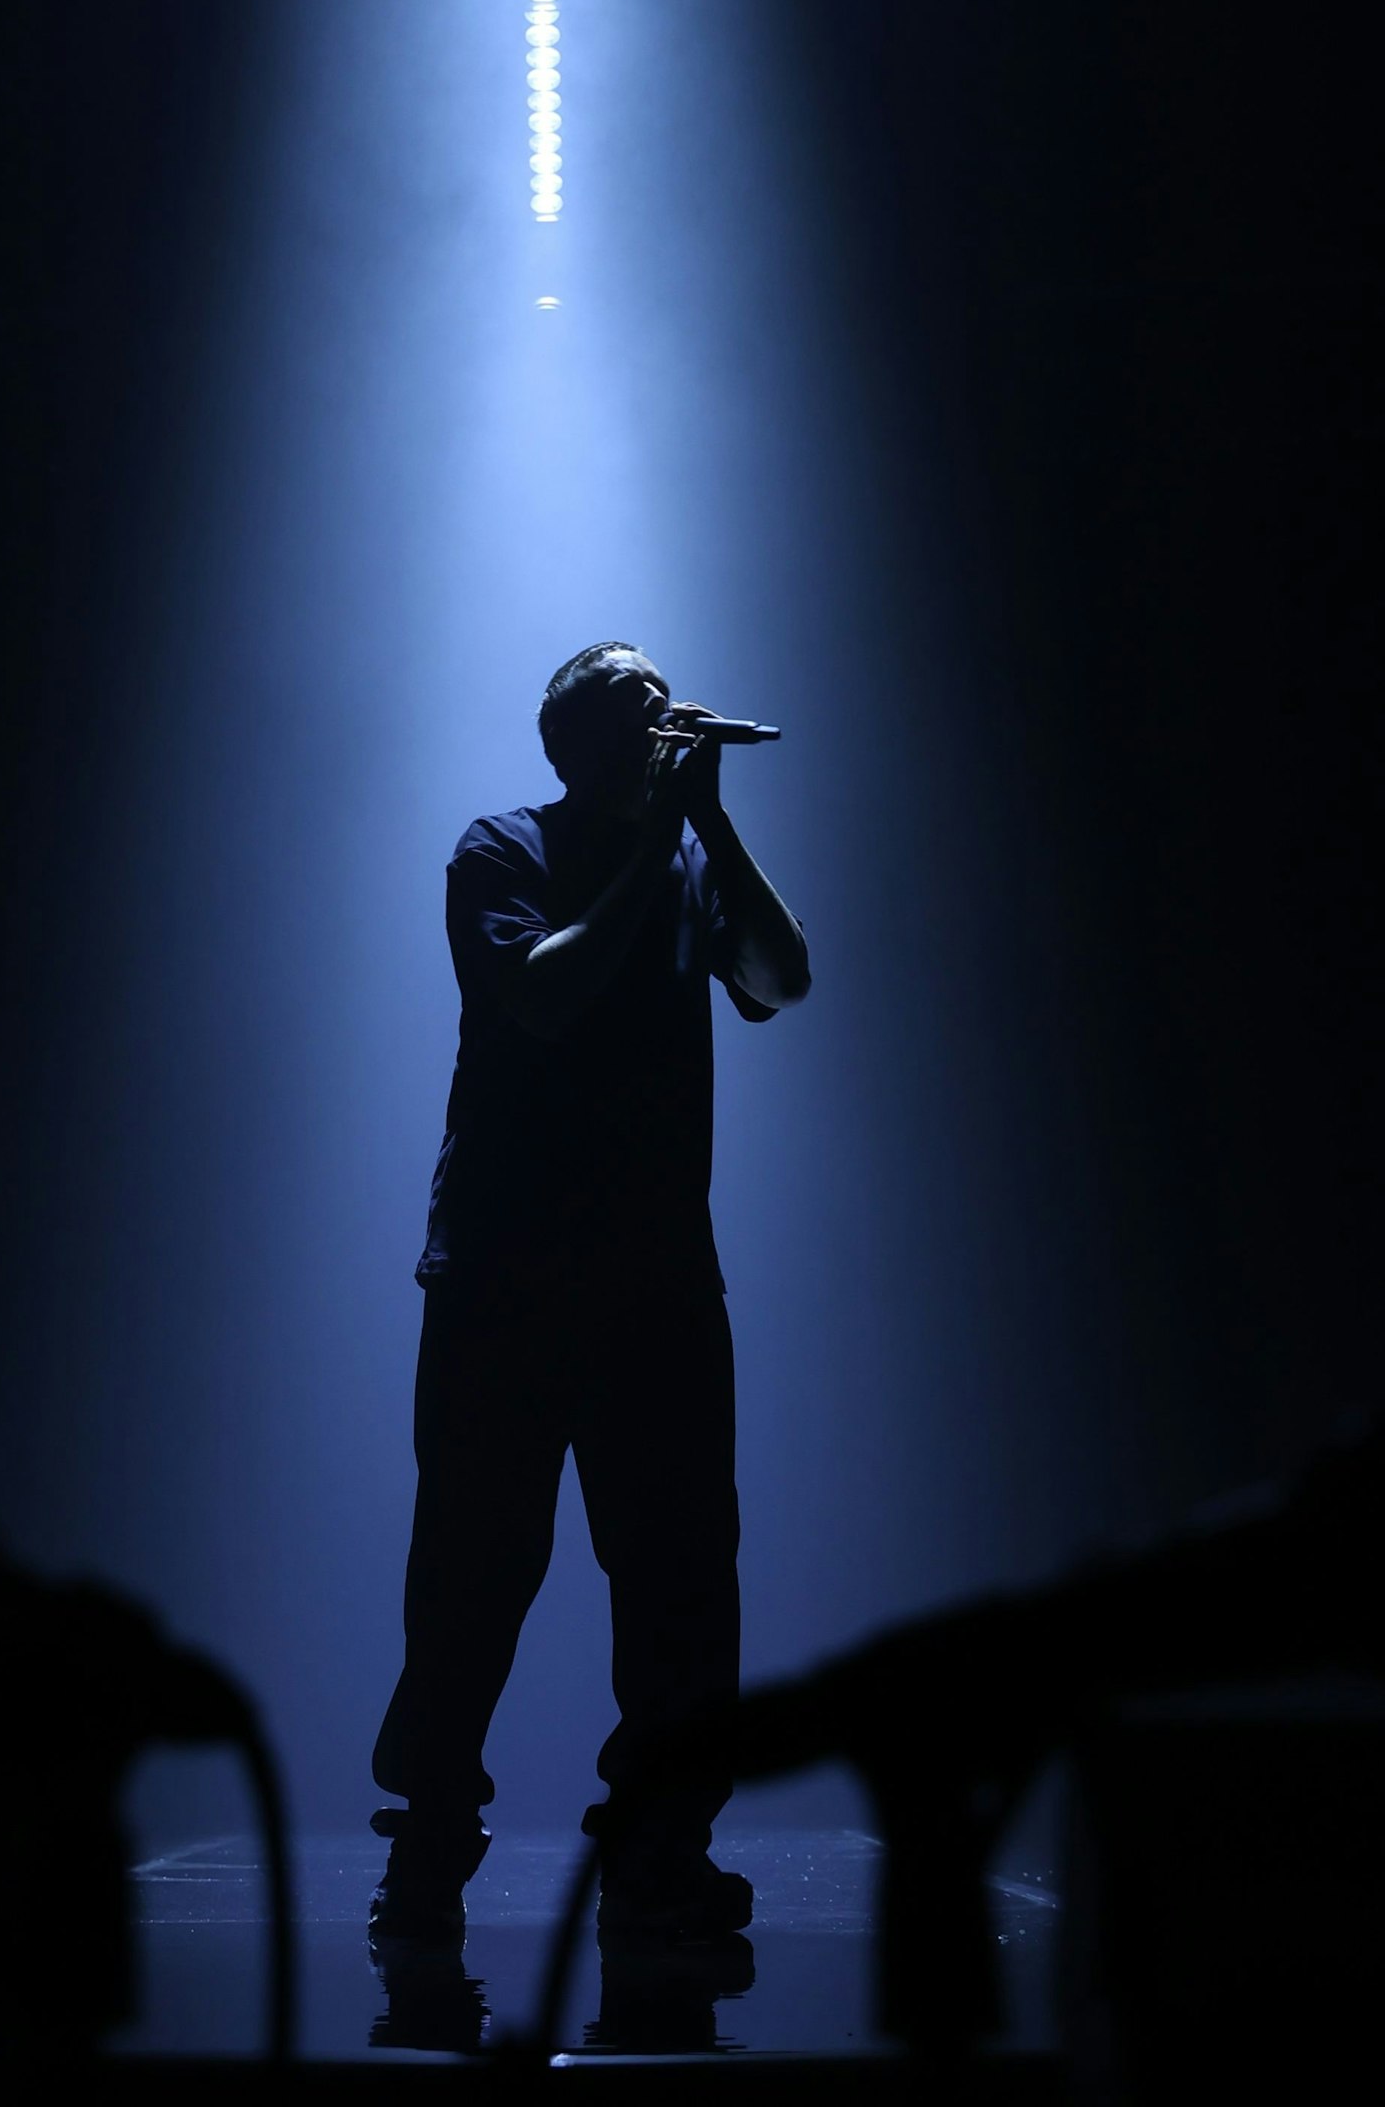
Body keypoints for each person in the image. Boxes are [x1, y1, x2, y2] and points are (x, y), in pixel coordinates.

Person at [369, 642, 811, 1946]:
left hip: (662, 1284)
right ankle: (434, 1828)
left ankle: (661, 1840)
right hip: (505, 1272)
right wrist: (650, 852)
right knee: (474, 1567)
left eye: (666, 710)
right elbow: (543, 998)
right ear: (567, 747)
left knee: (682, 1572)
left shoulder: (684, 853)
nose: (663, 730)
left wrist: (712, 829)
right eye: (635, 713)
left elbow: (781, 978)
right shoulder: (497, 850)